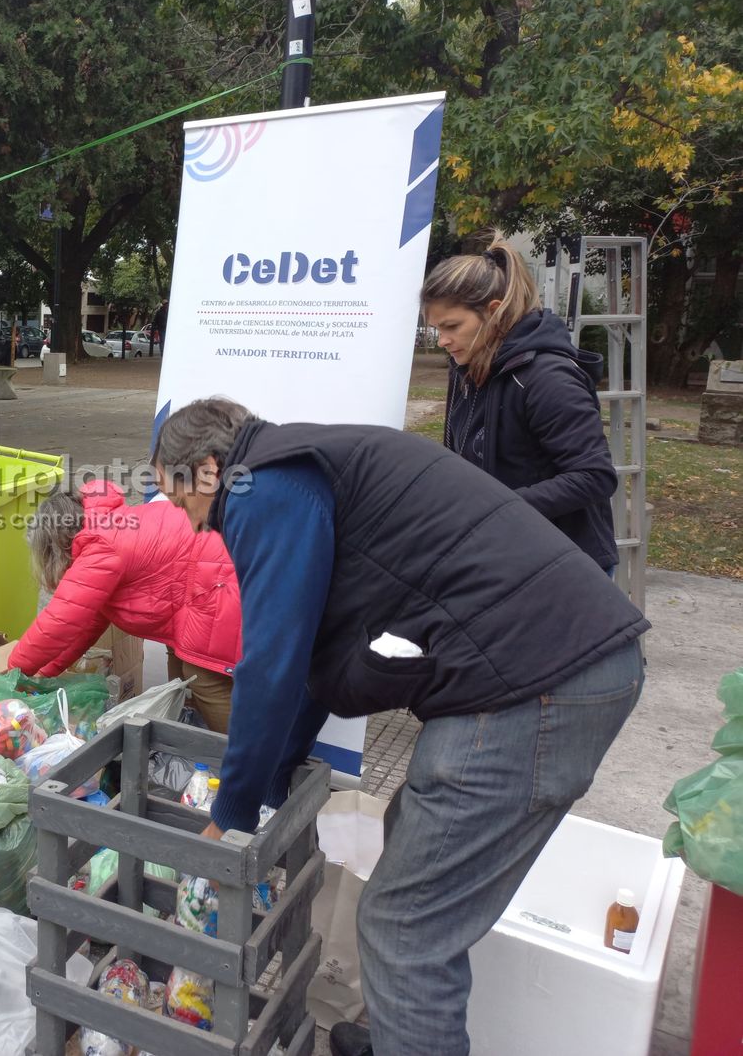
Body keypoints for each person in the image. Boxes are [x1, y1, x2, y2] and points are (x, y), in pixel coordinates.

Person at [151, 397, 648, 1056]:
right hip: (547, 669)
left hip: (538, 686)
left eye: (181, 500)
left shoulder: (265, 486)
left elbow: (269, 660)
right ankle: (400, 1036)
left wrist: (233, 809)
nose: (192, 525)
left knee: (406, 927)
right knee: (409, 851)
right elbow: (302, 661)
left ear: (210, 470)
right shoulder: (300, 465)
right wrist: (269, 782)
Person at [422, 238, 618, 572]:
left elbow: (594, 476)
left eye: (452, 326)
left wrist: (497, 508)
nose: (443, 341)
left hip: (565, 566)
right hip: (503, 554)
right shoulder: (466, 367)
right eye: (436, 329)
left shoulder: (547, 378)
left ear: (494, 311)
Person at [8, 479, 240, 731]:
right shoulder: (106, 527)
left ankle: (238, 761)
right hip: (214, 579)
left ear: (53, 547)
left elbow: (57, 624)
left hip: (220, 585)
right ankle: (190, 745)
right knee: (182, 677)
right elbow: (86, 624)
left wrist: (10, 673)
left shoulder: (99, 547)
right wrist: (46, 673)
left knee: (204, 678)